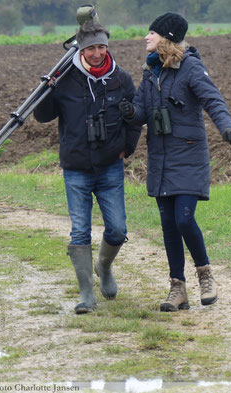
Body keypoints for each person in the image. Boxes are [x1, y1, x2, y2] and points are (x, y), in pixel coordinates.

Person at [120, 12, 231, 312]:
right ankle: (178, 288)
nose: (146, 37)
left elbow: (214, 100)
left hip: (188, 156)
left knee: (184, 219)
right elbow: (141, 111)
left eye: (152, 33)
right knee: (169, 225)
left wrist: (226, 127)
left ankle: (206, 275)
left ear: (167, 38)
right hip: (160, 160)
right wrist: (129, 113)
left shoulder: (191, 68)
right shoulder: (151, 74)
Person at [34, 20, 141, 314]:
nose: (96, 53)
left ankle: (103, 267)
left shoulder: (121, 79)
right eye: (91, 48)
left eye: (101, 47)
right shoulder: (66, 79)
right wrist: (47, 87)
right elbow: (42, 116)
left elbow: (135, 119)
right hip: (76, 168)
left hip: (110, 166)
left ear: (107, 47)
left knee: (117, 229)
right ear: (81, 49)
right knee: (79, 231)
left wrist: (126, 149)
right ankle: (86, 295)